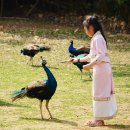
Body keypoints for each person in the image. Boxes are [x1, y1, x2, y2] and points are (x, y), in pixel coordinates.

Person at [69, 15, 117, 127]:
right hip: (100, 69)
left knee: (99, 93)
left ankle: (98, 120)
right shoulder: (96, 38)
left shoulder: (98, 39)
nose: (85, 31)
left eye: (85, 29)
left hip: (102, 70)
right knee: (99, 93)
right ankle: (99, 118)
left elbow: (100, 56)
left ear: (90, 28)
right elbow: (91, 55)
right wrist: (77, 59)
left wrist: (89, 65)